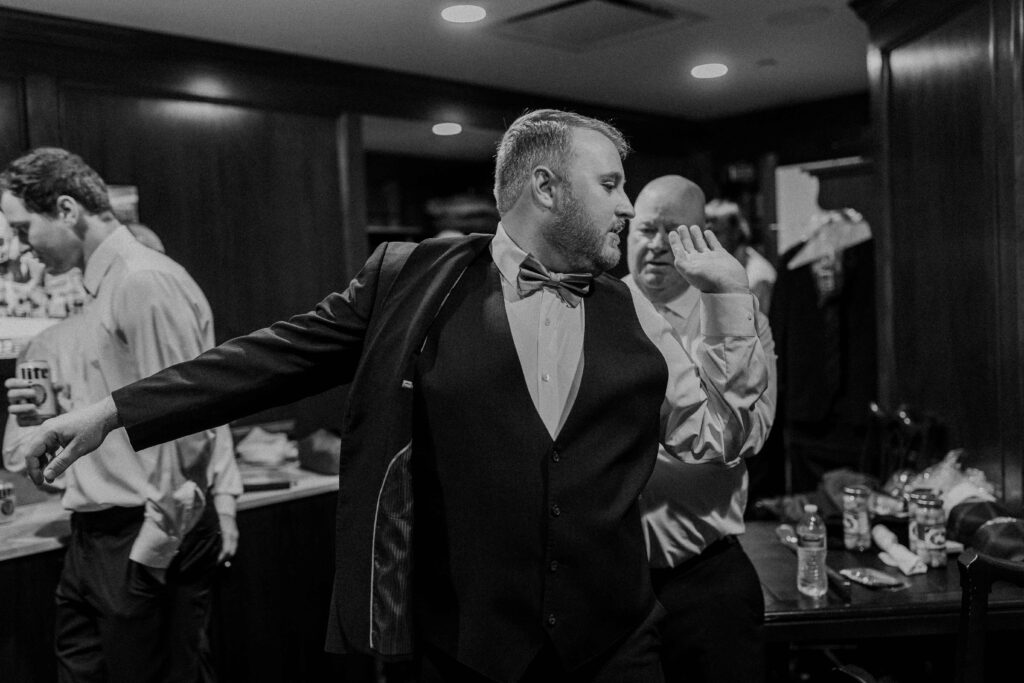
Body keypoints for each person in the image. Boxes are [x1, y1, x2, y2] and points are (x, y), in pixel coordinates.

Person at [15, 110, 769, 683]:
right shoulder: (416, 277)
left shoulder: (634, 308)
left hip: (615, 649)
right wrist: (112, 410)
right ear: (545, 186)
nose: (629, 205)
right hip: (464, 654)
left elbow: (721, 438)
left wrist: (733, 301)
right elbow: (268, 358)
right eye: (611, 185)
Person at [0, 148, 241, 683]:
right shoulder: (104, 290)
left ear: (66, 210)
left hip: (146, 532)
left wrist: (150, 558)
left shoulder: (142, 279)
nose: (18, 246)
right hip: (95, 534)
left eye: (21, 229)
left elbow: (190, 423)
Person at [625, 175, 777, 682]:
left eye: (673, 232)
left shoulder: (739, 314)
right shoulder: (595, 309)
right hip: (610, 587)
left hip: (705, 579)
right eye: (645, 229)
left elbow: (746, 437)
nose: (655, 245)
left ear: (703, 235)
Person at [705, 198, 776, 315]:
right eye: (706, 233)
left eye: (716, 233)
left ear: (736, 233)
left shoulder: (758, 277)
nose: (708, 240)